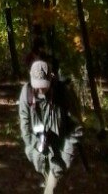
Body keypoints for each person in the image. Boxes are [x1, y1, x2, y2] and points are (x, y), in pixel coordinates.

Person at [19, 59, 82, 193]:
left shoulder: (63, 93)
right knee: (51, 184)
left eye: (44, 85)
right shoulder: (26, 93)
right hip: (39, 151)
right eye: (37, 85)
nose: (41, 89)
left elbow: (76, 128)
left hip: (60, 149)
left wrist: (66, 156)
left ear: (51, 79)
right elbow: (25, 127)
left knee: (51, 189)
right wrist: (34, 151)